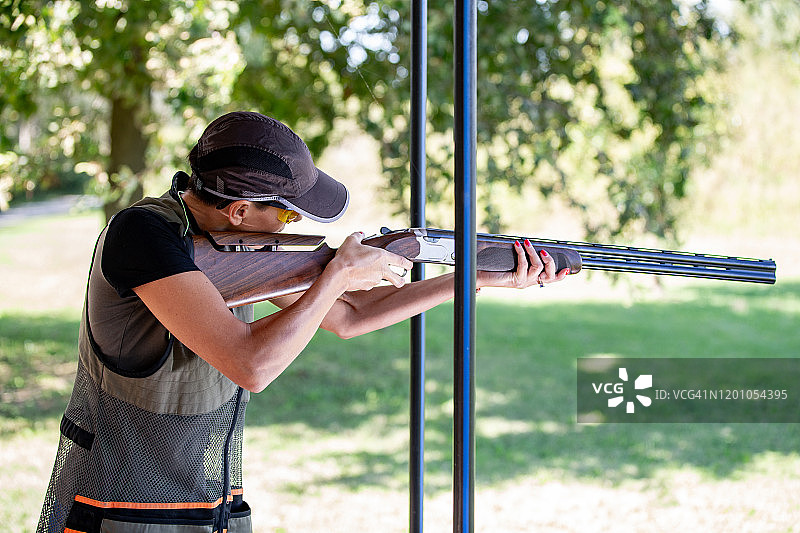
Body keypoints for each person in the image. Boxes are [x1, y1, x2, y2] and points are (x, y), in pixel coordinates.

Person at [37, 111, 568, 532]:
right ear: (240, 211)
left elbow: (350, 319)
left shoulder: (232, 243)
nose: (293, 228)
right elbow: (252, 363)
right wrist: (335, 273)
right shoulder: (143, 236)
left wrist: (473, 277)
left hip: (207, 508)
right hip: (119, 511)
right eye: (289, 215)